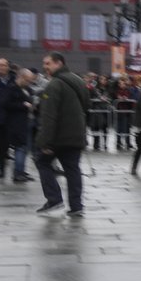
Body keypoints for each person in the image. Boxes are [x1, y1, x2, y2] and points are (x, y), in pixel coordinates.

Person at [34, 52, 88, 215]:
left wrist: (46, 142)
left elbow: (49, 115)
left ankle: (54, 199)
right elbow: (86, 104)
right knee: (73, 169)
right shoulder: (78, 80)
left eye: (48, 63)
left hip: (59, 136)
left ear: (59, 63)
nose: (45, 67)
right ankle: (76, 206)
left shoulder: (54, 84)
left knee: (42, 162)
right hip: (76, 134)